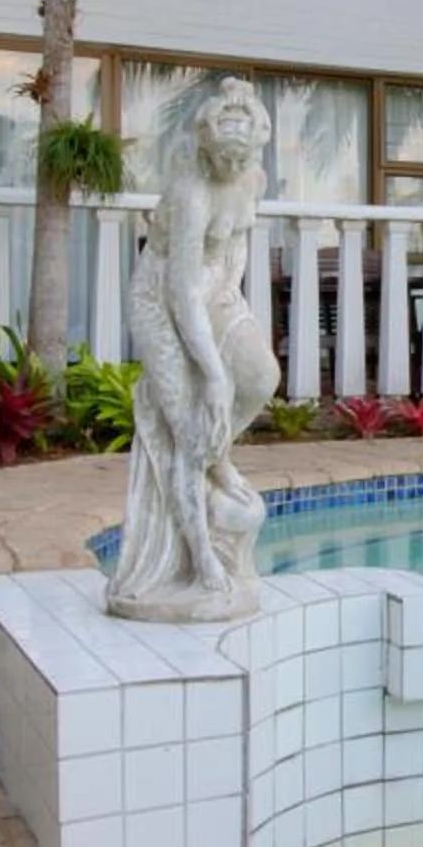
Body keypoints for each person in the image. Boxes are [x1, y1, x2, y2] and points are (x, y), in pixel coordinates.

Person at [107, 76, 281, 619]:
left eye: (242, 158)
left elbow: (236, 245)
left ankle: (218, 456)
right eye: (222, 159)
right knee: (190, 429)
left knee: (260, 377)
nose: (231, 168)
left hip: (215, 286)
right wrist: (208, 371)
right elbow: (179, 289)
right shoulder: (188, 192)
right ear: (204, 144)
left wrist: (230, 298)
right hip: (163, 297)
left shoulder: (252, 175)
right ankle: (202, 560)